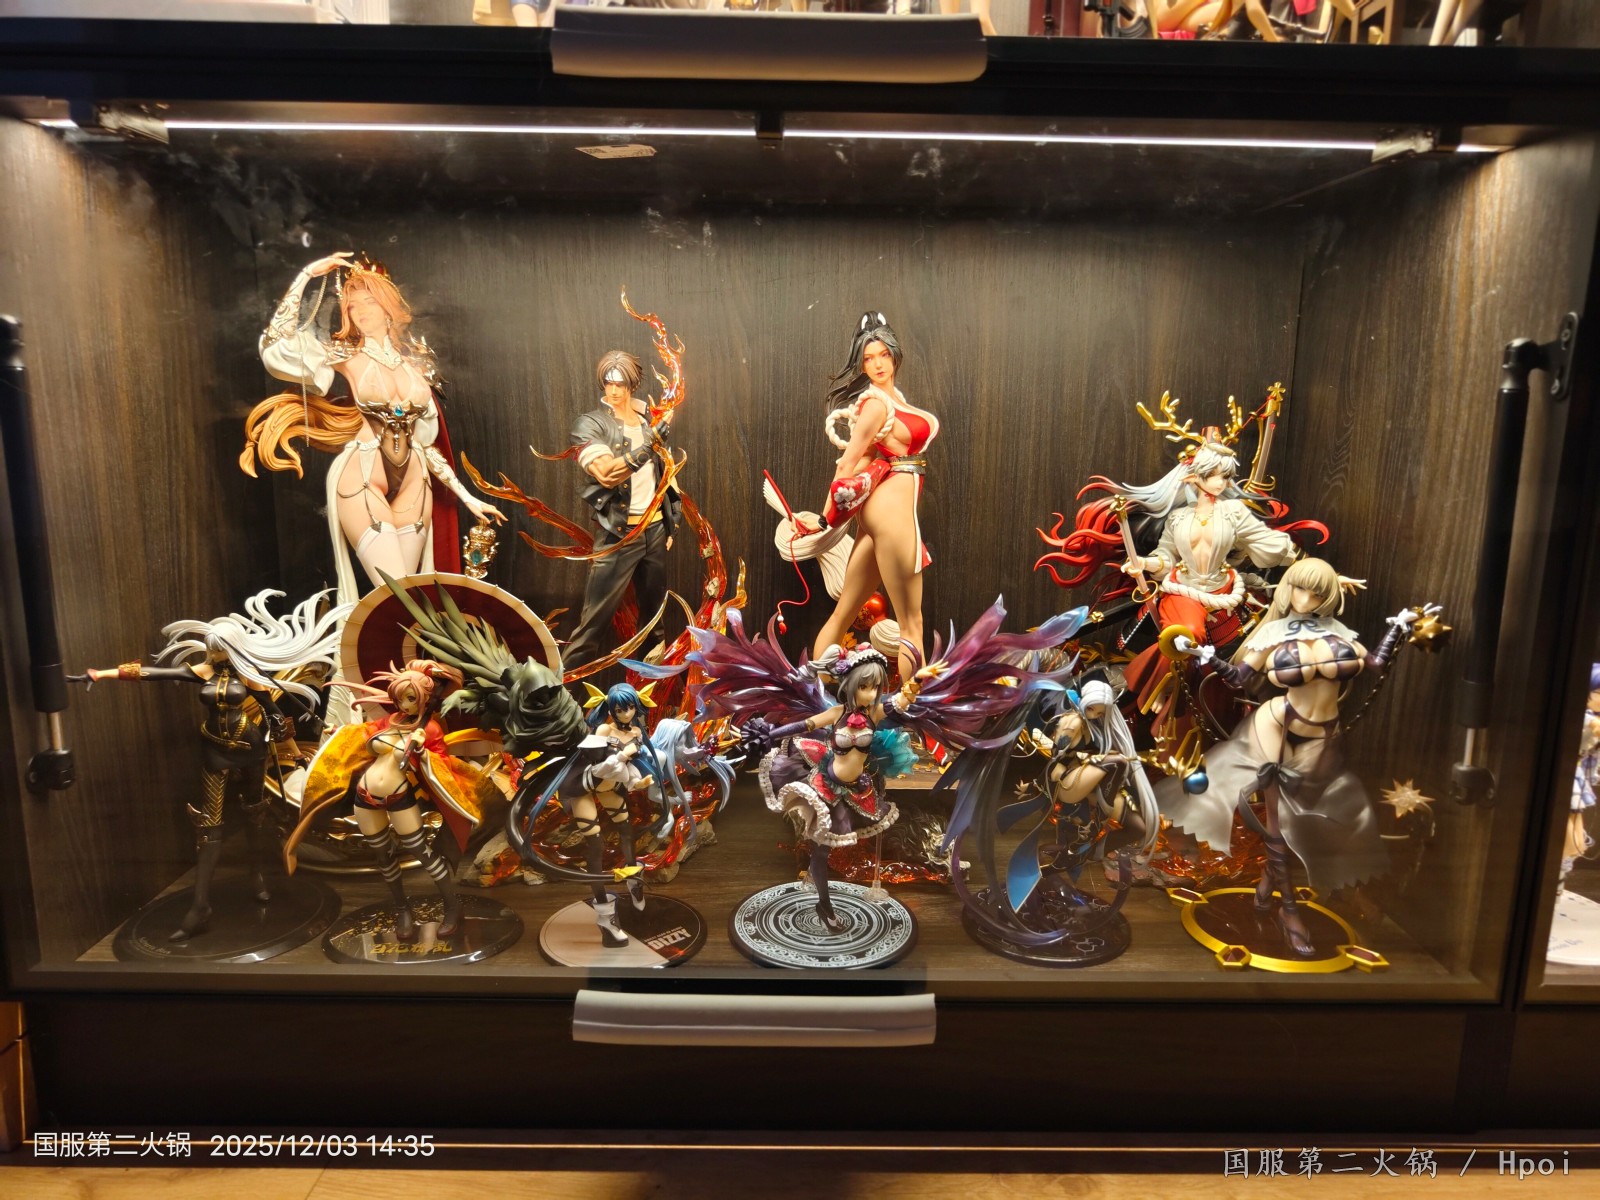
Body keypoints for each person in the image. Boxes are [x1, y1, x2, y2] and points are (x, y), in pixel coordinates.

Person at [1160, 557, 1440, 955]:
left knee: (1305, 821)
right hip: (1278, 725)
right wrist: (1205, 656)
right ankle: (1288, 912)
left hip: (1324, 732)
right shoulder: (1272, 633)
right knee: (1278, 829)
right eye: (1300, 588)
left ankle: (1264, 891)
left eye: (1317, 591)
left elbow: (1375, 665)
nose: (1306, 598)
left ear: (1329, 595)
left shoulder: (1338, 633)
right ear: (1288, 589)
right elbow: (1240, 678)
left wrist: (1397, 628)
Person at [73, 590, 348, 941]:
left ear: (230, 648)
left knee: (254, 813)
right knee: (209, 827)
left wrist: (293, 751)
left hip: (250, 748)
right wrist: (102, 674)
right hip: (214, 750)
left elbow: (275, 714)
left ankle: (257, 874)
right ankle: (200, 906)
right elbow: (155, 673)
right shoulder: (203, 671)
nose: (213, 654)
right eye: (211, 649)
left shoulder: (249, 675)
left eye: (218, 649)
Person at [242, 253, 506, 610]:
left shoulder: (418, 366)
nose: (360, 312)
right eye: (352, 306)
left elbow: (426, 445)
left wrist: (467, 497)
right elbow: (278, 343)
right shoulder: (343, 356)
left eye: (369, 302)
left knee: (411, 598)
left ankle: (408, 652)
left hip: (415, 480)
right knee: (399, 595)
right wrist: (305, 275)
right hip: (364, 474)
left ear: (387, 307)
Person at [782, 313, 938, 682]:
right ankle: (911, 708)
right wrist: (825, 519)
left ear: (895, 355)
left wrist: (830, 519)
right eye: (868, 359)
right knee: (911, 623)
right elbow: (847, 463)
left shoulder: (892, 400)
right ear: (861, 365)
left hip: (881, 514)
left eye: (883, 355)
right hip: (892, 513)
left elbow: (867, 459)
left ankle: (815, 691)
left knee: (843, 614)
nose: (877, 364)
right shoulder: (876, 405)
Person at [286, 659, 487, 942]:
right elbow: (360, 736)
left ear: (425, 698)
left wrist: (423, 752)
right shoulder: (388, 722)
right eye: (400, 698)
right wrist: (338, 733)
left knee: (422, 853)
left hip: (400, 797)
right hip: (365, 798)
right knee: (383, 856)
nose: (403, 705)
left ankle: (452, 907)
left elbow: (443, 765)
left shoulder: (430, 729)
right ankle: (402, 909)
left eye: (411, 699)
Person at [563, 350, 682, 669]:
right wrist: (649, 445)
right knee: (592, 627)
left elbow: (666, 473)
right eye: (608, 383)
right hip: (618, 535)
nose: (614, 390)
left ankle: (651, 693)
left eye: (621, 383)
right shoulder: (590, 424)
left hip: (654, 531)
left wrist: (672, 520)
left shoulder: (648, 421)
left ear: (633, 385)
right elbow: (606, 474)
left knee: (654, 625)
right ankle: (557, 693)